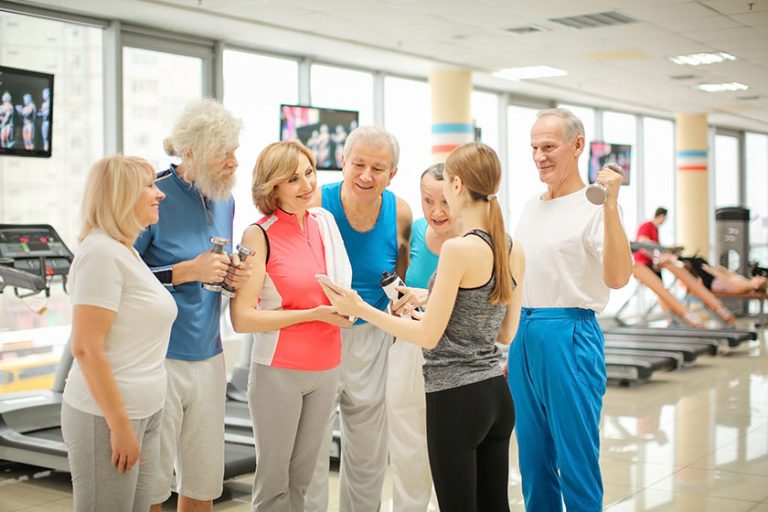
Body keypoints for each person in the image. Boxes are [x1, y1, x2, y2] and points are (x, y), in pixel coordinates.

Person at [319, 142, 524, 512]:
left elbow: (428, 335)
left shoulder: (458, 250)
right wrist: (430, 298)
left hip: (456, 399)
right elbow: (505, 333)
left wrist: (361, 307)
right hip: (495, 396)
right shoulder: (512, 246)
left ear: (457, 185)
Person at [508, 108, 632, 511]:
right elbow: (519, 277)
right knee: (533, 461)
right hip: (525, 334)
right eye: (533, 148)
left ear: (577, 146)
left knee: (574, 460)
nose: (539, 156)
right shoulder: (530, 206)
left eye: (549, 146)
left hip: (570, 332)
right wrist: (511, 341)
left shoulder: (595, 206)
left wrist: (611, 205)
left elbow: (617, 277)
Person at [134, 98, 249, 512]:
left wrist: (229, 275)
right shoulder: (152, 196)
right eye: (225, 153)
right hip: (159, 359)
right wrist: (183, 272)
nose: (235, 161)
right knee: (152, 484)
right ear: (192, 153)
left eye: (235, 150)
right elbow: (123, 279)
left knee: (202, 482)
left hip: (210, 356)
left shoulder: (225, 201)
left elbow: (213, 269)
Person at [229, 140, 353, 511]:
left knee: (304, 481)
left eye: (309, 173)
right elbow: (242, 318)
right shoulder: (259, 234)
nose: (306, 185)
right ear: (272, 187)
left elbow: (340, 289)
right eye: (292, 179)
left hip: (327, 367)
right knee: (274, 482)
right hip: (279, 372)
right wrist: (312, 315)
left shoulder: (323, 223)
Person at [305, 125, 412, 512]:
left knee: (368, 450)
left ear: (392, 174)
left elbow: (400, 274)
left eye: (378, 168)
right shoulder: (316, 202)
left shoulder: (400, 211)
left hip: (373, 337)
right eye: (359, 164)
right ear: (344, 163)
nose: (367, 176)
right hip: (321, 333)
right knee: (311, 448)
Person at [62, 155, 177, 512]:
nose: (160, 194)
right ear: (120, 194)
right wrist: (120, 425)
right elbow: (85, 348)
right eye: (148, 185)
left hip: (147, 409)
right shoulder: (100, 254)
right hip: (107, 417)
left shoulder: (125, 251)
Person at [386, 162, 460, 512]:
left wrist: (431, 296)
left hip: (454, 353)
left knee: (451, 452)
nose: (436, 211)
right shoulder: (415, 231)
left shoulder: (472, 239)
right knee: (406, 447)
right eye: (428, 201)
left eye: (444, 201)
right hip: (410, 347)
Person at [682, 255, 767, 294]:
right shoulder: (746, 281)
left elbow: (727, 280)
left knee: (697, 262)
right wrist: (723, 269)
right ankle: (681, 259)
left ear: (756, 286)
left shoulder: (744, 286)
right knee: (699, 259)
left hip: (711, 284)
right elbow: (732, 275)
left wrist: (710, 270)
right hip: (715, 280)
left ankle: (679, 259)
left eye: (760, 280)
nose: (758, 276)